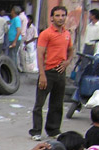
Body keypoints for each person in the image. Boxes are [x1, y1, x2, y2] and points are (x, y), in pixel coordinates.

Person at [28, 6, 74, 141]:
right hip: (48, 72)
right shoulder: (46, 34)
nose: (60, 18)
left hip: (61, 73)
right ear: (52, 18)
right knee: (39, 104)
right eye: (57, 15)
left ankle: (53, 130)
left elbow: (71, 50)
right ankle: (36, 131)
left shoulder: (67, 34)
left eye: (63, 15)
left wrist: (67, 62)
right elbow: (40, 54)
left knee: (57, 103)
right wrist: (42, 75)